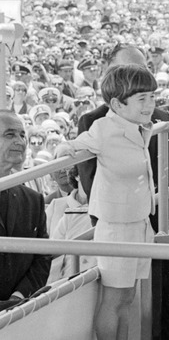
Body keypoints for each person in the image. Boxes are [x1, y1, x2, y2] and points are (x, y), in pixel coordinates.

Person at [55, 64, 158, 340]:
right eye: (142, 99)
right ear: (117, 103)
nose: (150, 104)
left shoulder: (138, 126)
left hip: (139, 222)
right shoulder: (104, 128)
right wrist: (64, 150)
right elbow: (73, 146)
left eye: (152, 96)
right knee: (113, 299)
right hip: (116, 227)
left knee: (127, 297)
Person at [77, 44, 169, 231]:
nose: (136, 77)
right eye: (127, 70)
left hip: (163, 224)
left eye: (142, 70)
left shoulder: (162, 119)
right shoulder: (92, 121)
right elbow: (92, 183)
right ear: (109, 73)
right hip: (118, 224)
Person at [0, 110, 51, 311]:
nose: (20, 141)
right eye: (10, 134)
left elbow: (43, 255)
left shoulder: (32, 199)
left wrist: (18, 297)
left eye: (22, 135)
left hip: (19, 313)